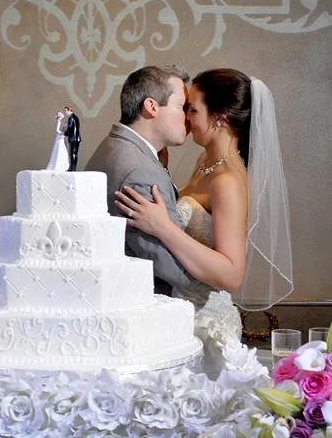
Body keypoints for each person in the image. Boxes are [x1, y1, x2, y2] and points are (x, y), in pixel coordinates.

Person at [114, 69, 293, 376]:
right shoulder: (205, 163)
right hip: (178, 314)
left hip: (206, 326)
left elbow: (232, 274)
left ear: (220, 117)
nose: (185, 117)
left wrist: (164, 229)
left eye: (192, 109)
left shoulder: (227, 181)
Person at [85, 65, 193, 297]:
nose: (188, 117)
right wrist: (217, 266)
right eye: (181, 106)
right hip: (146, 302)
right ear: (151, 106)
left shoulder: (113, 145)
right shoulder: (141, 171)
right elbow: (173, 271)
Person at [63, 105, 81, 171]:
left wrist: (65, 134)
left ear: (69, 110)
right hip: (76, 138)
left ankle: (72, 169)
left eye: (66, 111)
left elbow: (70, 128)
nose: (65, 112)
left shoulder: (71, 118)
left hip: (73, 138)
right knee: (74, 153)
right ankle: (72, 168)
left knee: (73, 153)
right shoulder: (75, 117)